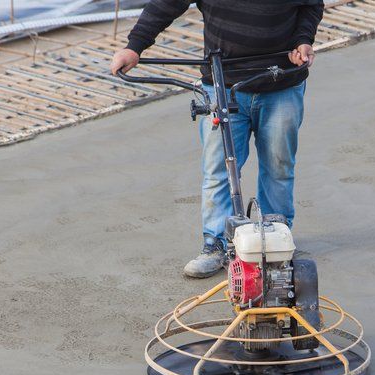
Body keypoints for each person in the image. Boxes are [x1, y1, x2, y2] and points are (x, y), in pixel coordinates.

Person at [111, 0, 325, 278]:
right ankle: (216, 244)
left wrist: (303, 41)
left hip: (281, 82)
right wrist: (134, 47)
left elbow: (310, 5)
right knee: (219, 169)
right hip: (221, 84)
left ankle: (275, 239)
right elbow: (165, 4)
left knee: (278, 164)